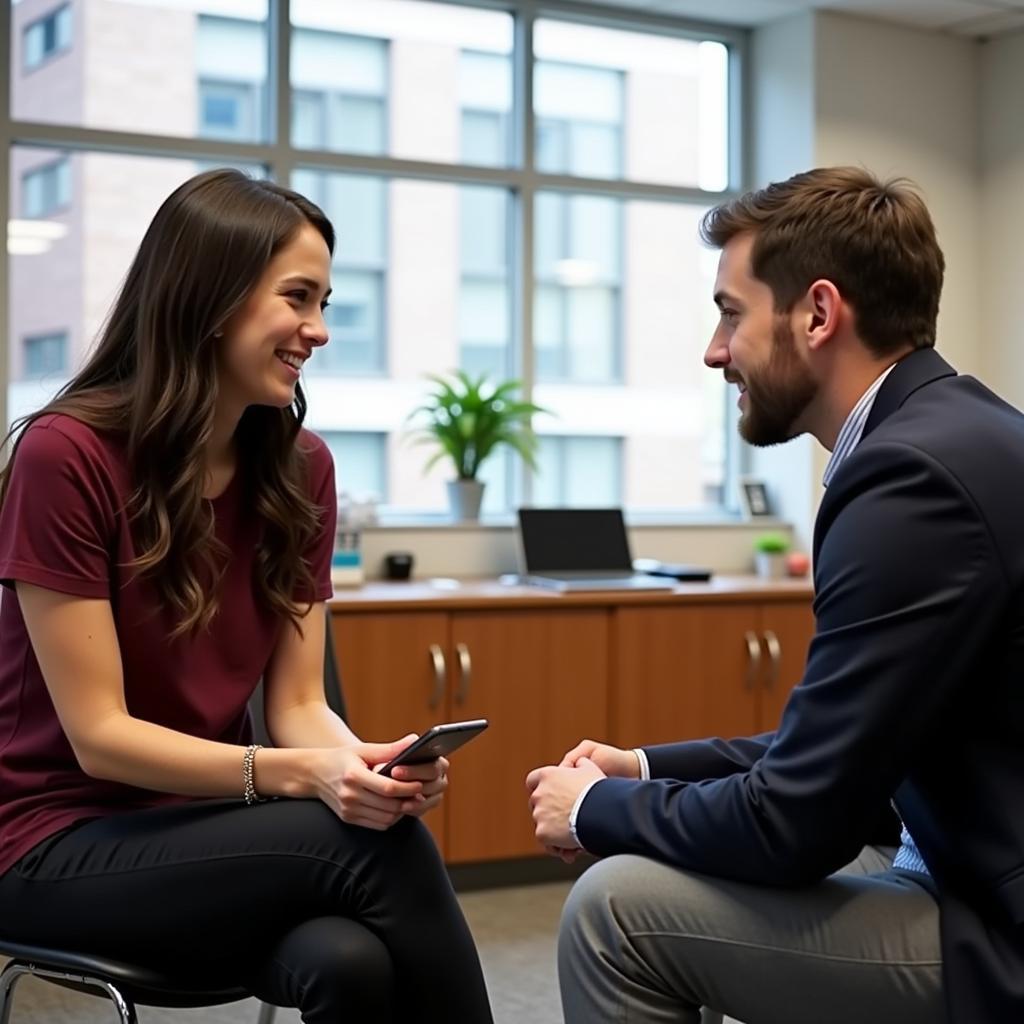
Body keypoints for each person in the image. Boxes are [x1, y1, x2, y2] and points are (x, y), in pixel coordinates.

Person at [526, 166, 1024, 1024]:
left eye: (730, 313)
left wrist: (599, 808)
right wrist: (642, 769)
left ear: (819, 314)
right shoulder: (958, 432)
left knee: (618, 912)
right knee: (682, 860)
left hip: (997, 922)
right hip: (953, 847)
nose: (715, 351)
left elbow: (798, 823)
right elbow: (841, 754)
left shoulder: (909, 481)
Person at [0, 169, 493, 1024]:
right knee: (380, 855)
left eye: (326, 300)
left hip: (204, 832)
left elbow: (299, 705)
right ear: (210, 296)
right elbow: (101, 740)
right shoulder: (64, 456)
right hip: (47, 845)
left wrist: (359, 768)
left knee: (349, 961)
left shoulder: (303, 471)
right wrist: (301, 775)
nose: (321, 330)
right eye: (298, 297)